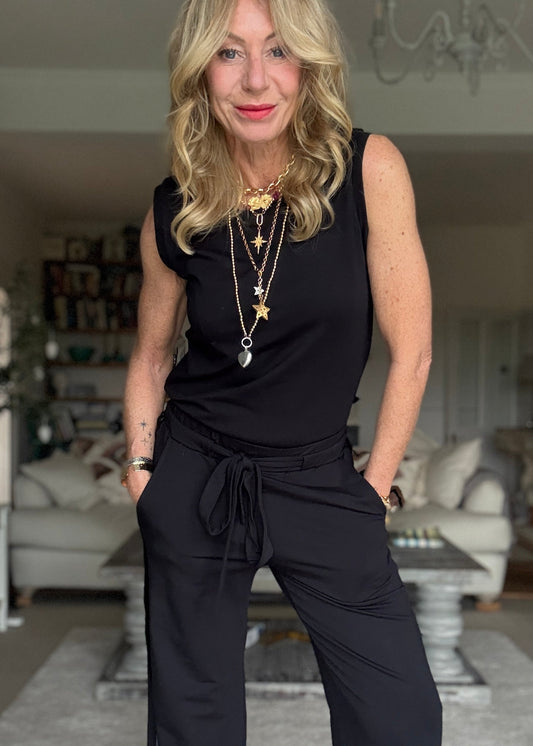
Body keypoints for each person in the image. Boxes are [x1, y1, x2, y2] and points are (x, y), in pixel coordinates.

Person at [122, 0, 443, 743]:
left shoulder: (369, 168)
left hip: (320, 477)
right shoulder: (175, 207)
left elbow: (414, 351)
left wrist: (373, 492)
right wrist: (143, 473)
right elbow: (150, 354)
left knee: (398, 716)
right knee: (193, 718)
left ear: (310, 65)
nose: (255, 79)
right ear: (199, 72)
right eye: (229, 53)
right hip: (197, 473)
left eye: (279, 50)